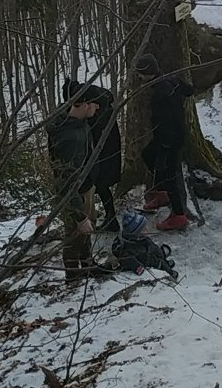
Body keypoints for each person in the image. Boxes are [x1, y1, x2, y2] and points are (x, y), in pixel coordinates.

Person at [46, 92, 113, 282]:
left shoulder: (78, 123)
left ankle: (88, 264)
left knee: (87, 227)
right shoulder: (69, 138)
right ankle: (73, 276)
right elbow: (66, 181)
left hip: (86, 188)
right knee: (75, 232)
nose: (97, 108)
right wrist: (79, 215)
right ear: (83, 105)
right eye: (94, 104)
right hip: (75, 195)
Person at [134, 52, 195, 231]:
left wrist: (164, 145)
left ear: (147, 73)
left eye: (140, 74)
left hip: (170, 139)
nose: (138, 77)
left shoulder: (159, 95)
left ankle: (178, 215)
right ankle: (161, 193)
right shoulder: (172, 79)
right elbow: (189, 91)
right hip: (172, 134)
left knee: (169, 173)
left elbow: (164, 123)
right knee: (148, 155)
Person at [62, 78, 122, 231]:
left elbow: (94, 135)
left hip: (103, 154)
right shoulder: (99, 99)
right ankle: (110, 218)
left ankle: (110, 219)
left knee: (101, 185)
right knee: (101, 186)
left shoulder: (97, 112)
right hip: (104, 151)